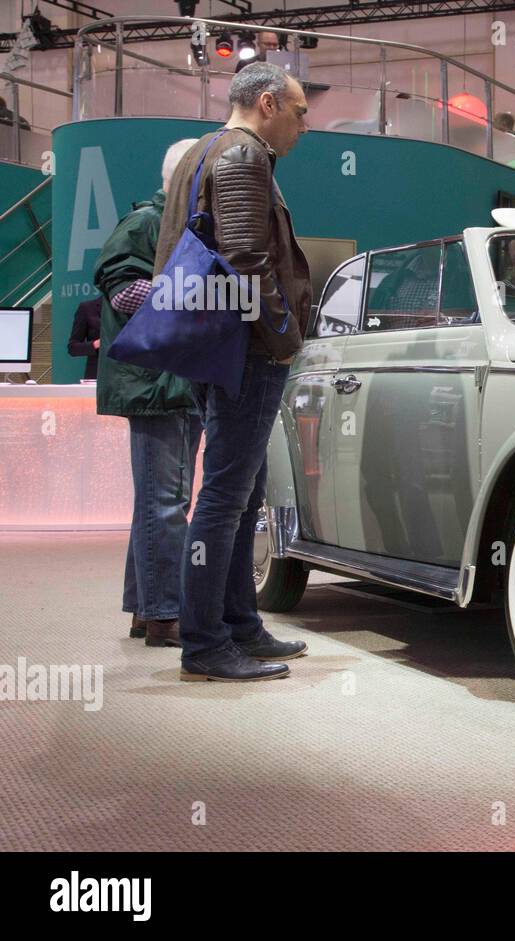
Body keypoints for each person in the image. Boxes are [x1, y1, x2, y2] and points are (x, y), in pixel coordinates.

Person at [155, 62, 312, 682]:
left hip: (217, 343)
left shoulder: (202, 150)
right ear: (268, 103)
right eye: (300, 112)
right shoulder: (244, 155)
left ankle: (238, 624)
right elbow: (248, 258)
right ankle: (205, 642)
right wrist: (283, 338)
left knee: (240, 492)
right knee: (225, 496)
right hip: (246, 348)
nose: (305, 125)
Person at [93, 138, 204, 647]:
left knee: (157, 502)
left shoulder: (174, 224)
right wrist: (200, 297)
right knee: (166, 502)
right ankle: (165, 614)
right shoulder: (146, 224)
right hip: (158, 382)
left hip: (171, 380)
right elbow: (122, 289)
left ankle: (147, 608)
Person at [67, 296, 101, 381]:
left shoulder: (133, 306)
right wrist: (95, 344)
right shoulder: (87, 308)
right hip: (98, 375)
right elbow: (73, 348)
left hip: (129, 374)